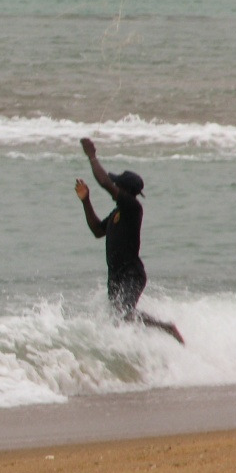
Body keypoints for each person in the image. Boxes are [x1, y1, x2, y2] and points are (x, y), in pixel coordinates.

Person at [75, 137, 184, 344]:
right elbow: (98, 230)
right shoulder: (118, 213)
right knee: (119, 320)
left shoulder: (133, 208)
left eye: (118, 185)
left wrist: (91, 156)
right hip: (116, 276)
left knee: (124, 314)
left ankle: (166, 328)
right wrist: (86, 200)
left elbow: (105, 182)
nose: (114, 184)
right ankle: (137, 355)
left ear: (124, 191)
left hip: (131, 275)